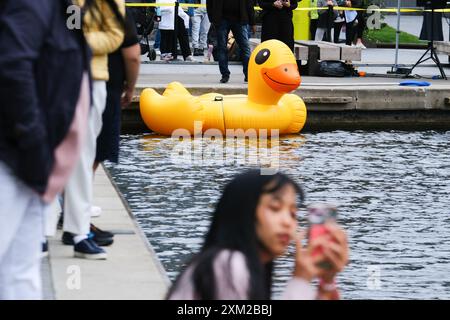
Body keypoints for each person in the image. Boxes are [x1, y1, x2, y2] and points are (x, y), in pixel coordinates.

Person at [0, 0, 91, 299]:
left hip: (34, 167)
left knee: (21, 273)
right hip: (15, 159)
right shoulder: (33, 5)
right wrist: (33, 140)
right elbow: (13, 68)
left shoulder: (64, 9)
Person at [167, 170, 349, 300]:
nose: (288, 222)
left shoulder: (243, 265)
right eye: (275, 208)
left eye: (293, 213)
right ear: (243, 211)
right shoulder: (228, 264)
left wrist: (326, 283)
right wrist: (300, 280)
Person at [62, 0, 126, 260]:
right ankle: (52, 232)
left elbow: (115, 35)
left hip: (89, 76)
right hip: (54, 73)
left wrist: (75, 45)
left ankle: (77, 231)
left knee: (81, 155)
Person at [96, 10, 140, 169]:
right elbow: (133, 55)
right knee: (95, 153)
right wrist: (130, 87)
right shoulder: (114, 8)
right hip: (104, 83)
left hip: (65, 80)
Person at [206, 0, 256, 83]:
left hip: (239, 19)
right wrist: (212, 18)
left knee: (245, 48)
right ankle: (225, 75)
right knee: (222, 48)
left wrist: (252, 22)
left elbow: (249, 3)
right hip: (221, 19)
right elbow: (209, 3)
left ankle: (248, 74)